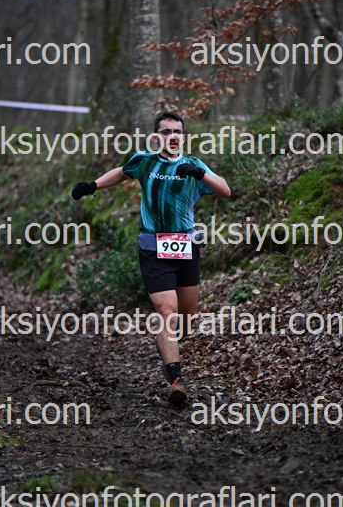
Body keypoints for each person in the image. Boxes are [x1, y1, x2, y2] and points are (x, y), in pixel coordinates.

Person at [72, 112, 231, 405]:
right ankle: (176, 381)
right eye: (166, 131)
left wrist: (200, 174)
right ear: (156, 136)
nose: (173, 136)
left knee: (185, 319)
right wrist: (92, 185)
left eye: (178, 132)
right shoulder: (145, 161)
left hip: (186, 248)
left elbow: (225, 190)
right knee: (168, 312)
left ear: (184, 137)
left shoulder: (193, 164)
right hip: (153, 248)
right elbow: (122, 172)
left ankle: (167, 348)